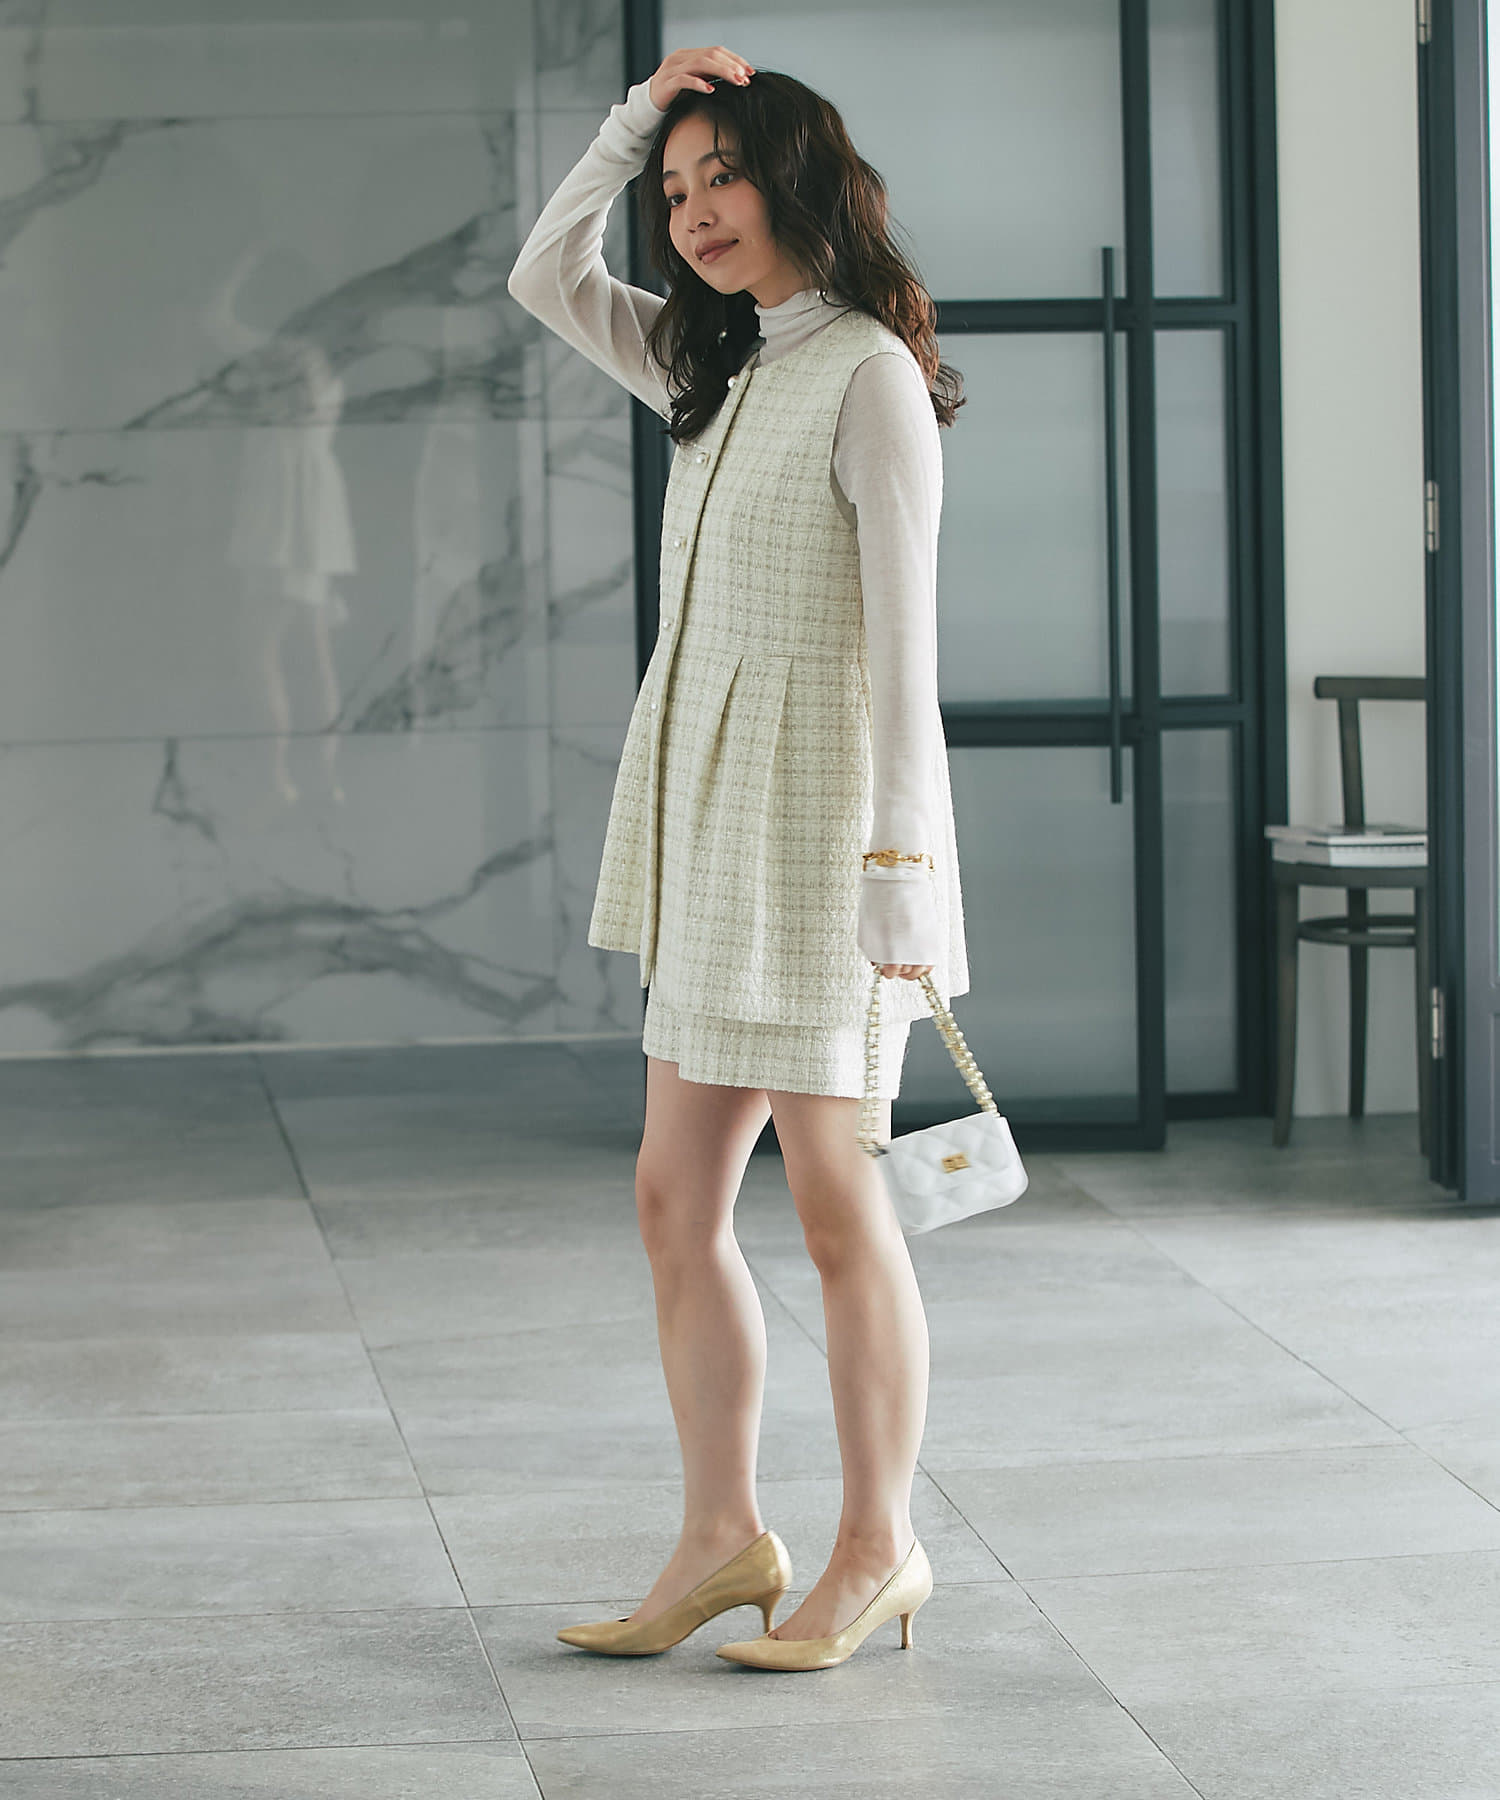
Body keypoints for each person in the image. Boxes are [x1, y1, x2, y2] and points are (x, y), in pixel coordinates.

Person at [507, 44, 970, 1672]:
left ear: (798, 182)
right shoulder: (712, 366)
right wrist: (633, 120)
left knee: (841, 1208)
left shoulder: (869, 375)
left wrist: (903, 871)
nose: (695, 214)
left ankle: (879, 1549)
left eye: (723, 177)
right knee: (673, 1196)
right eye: (675, 192)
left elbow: (905, 652)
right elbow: (542, 272)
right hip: (711, 835)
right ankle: (722, 1537)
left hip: (830, 842)